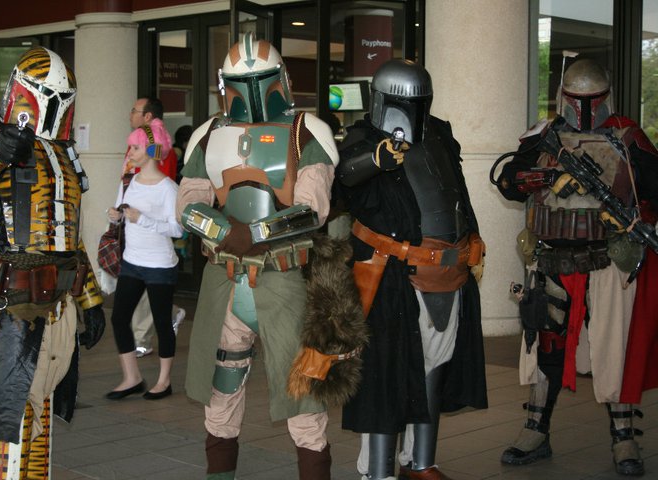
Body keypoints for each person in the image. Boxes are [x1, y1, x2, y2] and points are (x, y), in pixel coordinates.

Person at [177, 32, 338, 479]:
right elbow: (188, 205)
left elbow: (312, 209)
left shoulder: (306, 130)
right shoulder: (209, 134)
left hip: (285, 284)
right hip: (226, 282)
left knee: (304, 398)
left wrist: (255, 233)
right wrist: (229, 231)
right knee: (221, 390)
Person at [492, 58, 658, 476]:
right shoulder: (543, 136)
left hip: (607, 262)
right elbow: (510, 181)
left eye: (592, 101)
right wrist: (536, 179)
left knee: (613, 350)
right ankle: (535, 430)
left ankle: (624, 438)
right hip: (551, 259)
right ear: (565, 97)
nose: (585, 109)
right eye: (578, 100)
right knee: (545, 347)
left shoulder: (627, 137)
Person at [0, 46, 105, 479]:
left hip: (57, 306)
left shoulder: (65, 156)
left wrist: (90, 300)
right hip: (9, 306)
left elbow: (70, 242)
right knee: (10, 416)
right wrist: (0, 149)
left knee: (40, 411)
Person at [336, 59, 488, 480]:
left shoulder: (439, 134)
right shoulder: (363, 138)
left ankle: (420, 462)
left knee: (435, 367)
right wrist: (374, 159)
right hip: (391, 277)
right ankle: (378, 470)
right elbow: (344, 178)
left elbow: (455, 192)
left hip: (447, 272)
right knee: (384, 375)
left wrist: (472, 239)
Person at [105, 118, 183, 400]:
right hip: (131, 261)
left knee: (162, 323)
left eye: (135, 148)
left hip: (160, 266)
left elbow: (178, 229)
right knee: (119, 318)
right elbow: (120, 210)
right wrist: (116, 216)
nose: (130, 153)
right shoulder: (129, 181)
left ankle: (163, 381)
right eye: (130, 148)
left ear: (152, 150)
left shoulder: (169, 188)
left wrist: (144, 220)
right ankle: (132, 377)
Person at [125, 96, 185, 357]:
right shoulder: (143, 141)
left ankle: (143, 338)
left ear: (148, 116)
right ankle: (162, 320)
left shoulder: (156, 144)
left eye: (135, 110)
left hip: (154, 238)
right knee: (145, 296)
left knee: (148, 295)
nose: (131, 114)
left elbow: (163, 185)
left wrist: (145, 215)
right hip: (138, 229)